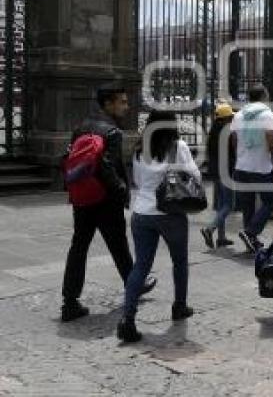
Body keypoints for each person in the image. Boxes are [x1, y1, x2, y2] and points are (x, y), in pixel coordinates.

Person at [60, 86, 156, 322]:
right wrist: (121, 190)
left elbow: (70, 159)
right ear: (108, 104)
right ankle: (133, 284)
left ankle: (69, 302)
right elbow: (107, 167)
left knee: (79, 246)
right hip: (105, 200)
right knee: (119, 245)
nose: (126, 106)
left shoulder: (81, 127)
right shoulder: (112, 132)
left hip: (82, 198)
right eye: (122, 102)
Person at [117, 111, 200, 342]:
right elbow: (194, 176)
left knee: (141, 266)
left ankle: (128, 318)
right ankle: (179, 306)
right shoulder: (178, 146)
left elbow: (137, 181)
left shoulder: (138, 149)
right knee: (180, 261)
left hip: (142, 212)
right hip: (170, 213)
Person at [233, 85, 273, 253]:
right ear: (263, 96)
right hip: (260, 167)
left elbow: (234, 139)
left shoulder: (238, 115)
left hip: (242, 166)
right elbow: (271, 138)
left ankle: (250, 239)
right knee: (271, 200)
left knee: (248, 204)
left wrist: (240, 156)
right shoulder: (267, 114)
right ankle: (250, 232)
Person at [200, 103, 237, 249]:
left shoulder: (213, 134)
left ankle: (221, 238)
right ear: (226, 118)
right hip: (226, 171)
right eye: (230, 117)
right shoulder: (228, 132)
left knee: (221, 205)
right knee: (229, 205)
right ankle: (210, 229)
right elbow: (234, 151)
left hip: (215, 172)